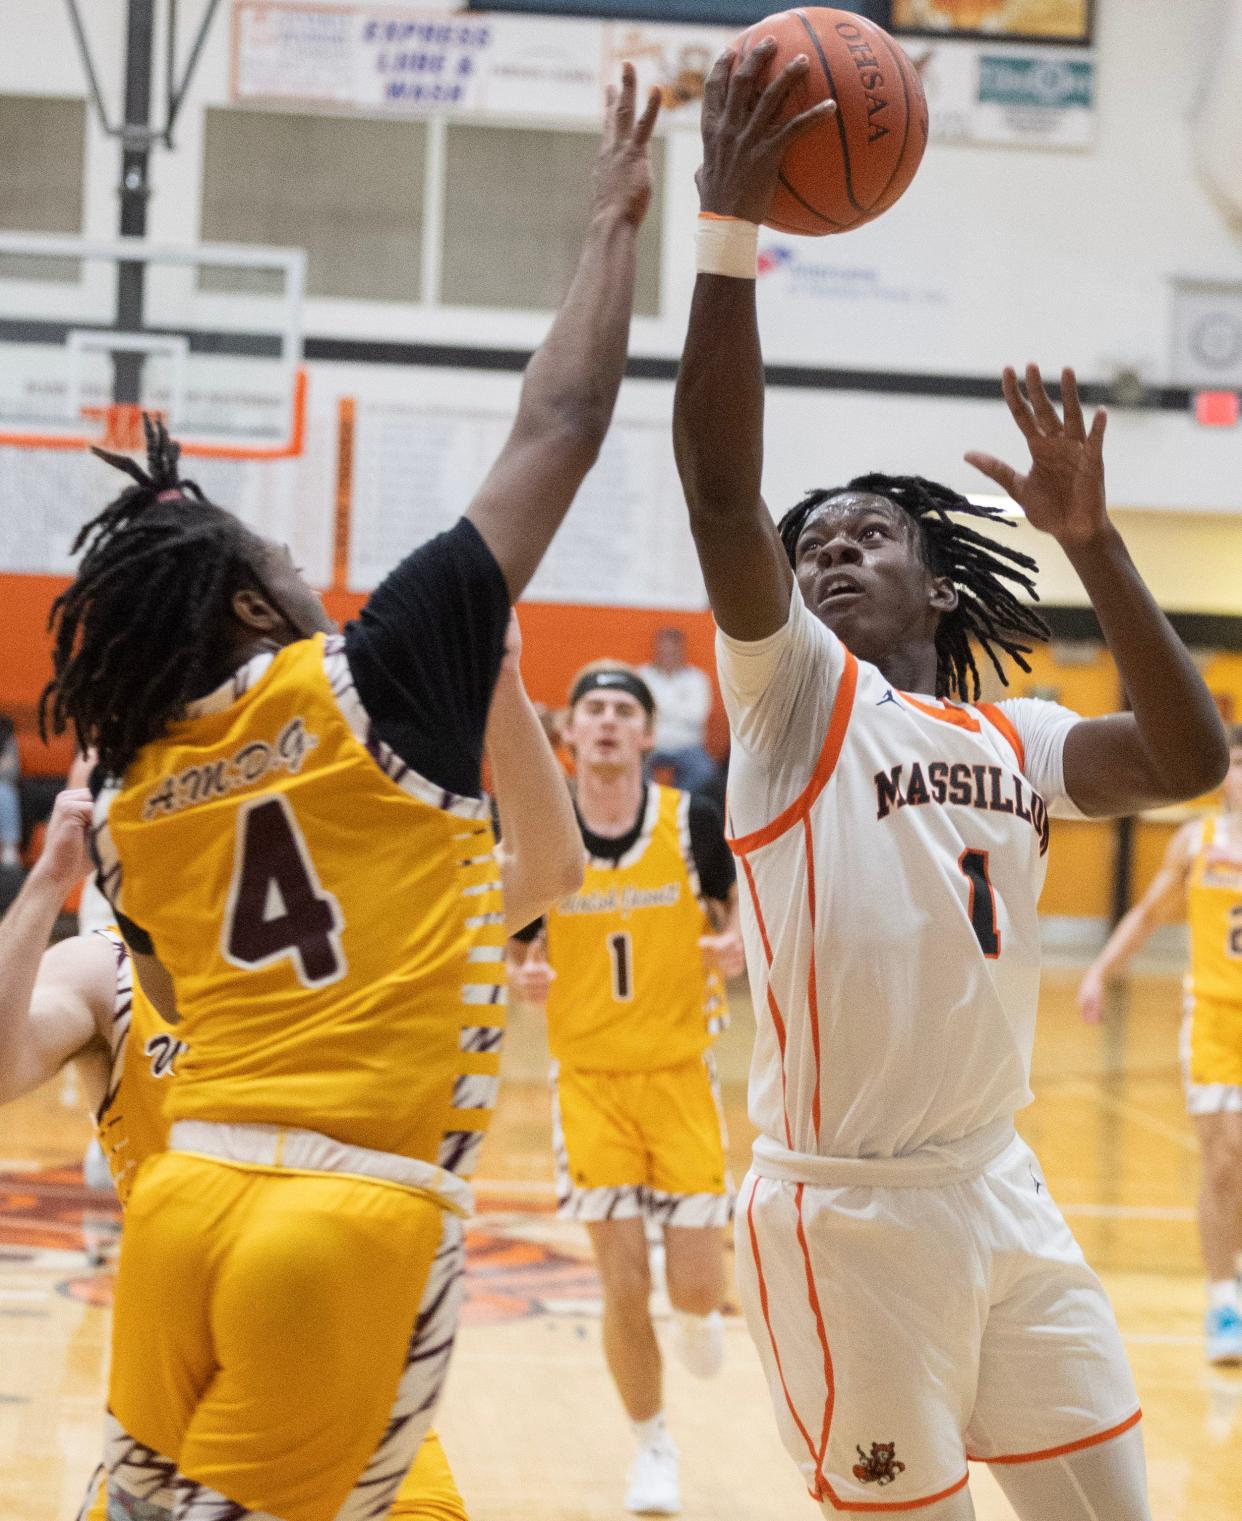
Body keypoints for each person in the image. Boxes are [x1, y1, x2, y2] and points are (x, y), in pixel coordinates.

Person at [39, 66, 660, 1521]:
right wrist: (616, 221)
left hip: (184, 1212)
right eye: (279, 563)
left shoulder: (133, 788)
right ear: (254, 612)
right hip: (346, 1216)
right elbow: (558, 425)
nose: (306, 577)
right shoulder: (373, 681)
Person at [671, 39, 1229, 1521]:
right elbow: (722, 496)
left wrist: (1098, 545)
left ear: (939, 580)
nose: (828, 552)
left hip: (996, 1182)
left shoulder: (1015, 741)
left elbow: (1191, 758)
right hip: (842, 1213)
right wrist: (726, 228)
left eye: (864, 534)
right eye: (812, 550)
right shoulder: (797, 702)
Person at [5, 619, 582, 1521]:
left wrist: (502, 677)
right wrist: (47, 884)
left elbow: (545, 869)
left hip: (360, 1377)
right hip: (188, 1387)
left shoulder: (347, 932)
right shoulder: (107, 966)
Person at [507, 662, 743, 1516]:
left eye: (622, 711)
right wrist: (518, 971)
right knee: (620, 1285)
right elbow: (511, 935)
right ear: (568, 733)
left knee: (693, 1287)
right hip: (590, 1085)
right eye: (592, 710)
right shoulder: (540, 831)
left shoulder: (693, 823)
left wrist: (738, 942)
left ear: (648, 734)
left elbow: (738, 907)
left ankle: (700, 1309)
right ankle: (652, 1443)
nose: (606, 723)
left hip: (681, 1074)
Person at [1078, 730, 1242, 1366]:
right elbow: (1145, 915)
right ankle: (1223, 1299)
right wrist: (1099, 973)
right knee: (1222, 1158)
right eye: (1231, 765)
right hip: (1214, 1019)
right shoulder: (1195, 842)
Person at [639, 628, 718, 794]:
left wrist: (658, 708)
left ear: (682, 651)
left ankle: (675, 802)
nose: (668, 655)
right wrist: (678, 706)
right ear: (656, 650)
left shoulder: (698, 678)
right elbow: (639, 714)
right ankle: (651, 801)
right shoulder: (641, 676)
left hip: (688, 745)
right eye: (663, 650)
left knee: (705, 771)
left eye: (672, 651)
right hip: (649, 745)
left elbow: (698, 715)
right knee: (631, 768)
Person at [0, 713, 22, 868]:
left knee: (4, 791)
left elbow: (11, 769)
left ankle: (9, 848)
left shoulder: (5, 731)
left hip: (2, 784)